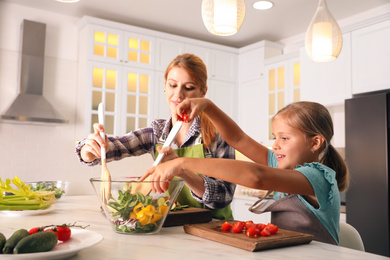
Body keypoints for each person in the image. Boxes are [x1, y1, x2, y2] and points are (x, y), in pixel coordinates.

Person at [141, 98, 349, 245]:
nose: (275, 145)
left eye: (284, 138)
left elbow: (256, 177)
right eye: (275, 137)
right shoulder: (280, 164)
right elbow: (238, 139)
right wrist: (208, 106)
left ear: (315, 143)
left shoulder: (318, 176)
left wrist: (183, 163)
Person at [75, 53, 235, 220]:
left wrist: (183, 172)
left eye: (188, 88)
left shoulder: (219, 135)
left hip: (215, 228)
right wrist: (89, 150)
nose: (178, 95)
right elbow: (115, 147)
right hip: (175, 225)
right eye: (173, 85)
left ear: (203, 92)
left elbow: (224, 196)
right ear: (165, 86)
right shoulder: (157, 133)